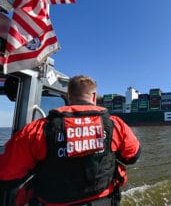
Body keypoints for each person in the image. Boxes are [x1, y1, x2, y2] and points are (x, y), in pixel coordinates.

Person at [0, 75, 141, 206]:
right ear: (94, 96)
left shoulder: (38, 129)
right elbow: (132, 157)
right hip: (104, 200)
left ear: (68, 96)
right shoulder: (115, 125)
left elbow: (8, 175)